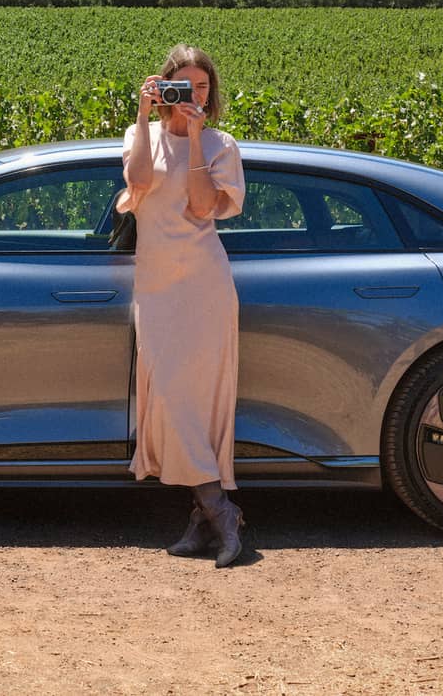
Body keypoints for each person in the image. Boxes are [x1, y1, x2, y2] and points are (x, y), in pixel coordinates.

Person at [118, 44, 247, 568]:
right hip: (156, 287)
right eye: (183, 85)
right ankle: (217, 513)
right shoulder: (140, 135)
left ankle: (212, 515)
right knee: (170, 399)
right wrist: (144, 114)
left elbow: (201, 205)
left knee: (196, 404)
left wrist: (194, 137)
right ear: (163, 86)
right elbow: (138, 183)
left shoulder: (220, 144)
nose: (192, 94)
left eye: (202, 87)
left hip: (203, 285)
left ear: (210, 94)